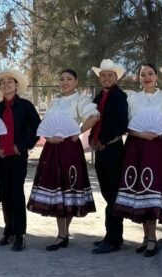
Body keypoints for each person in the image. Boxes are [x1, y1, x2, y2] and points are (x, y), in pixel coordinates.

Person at [113, 64, 162, 257]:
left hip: (156, 148)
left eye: (150, 74)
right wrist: (141, 133)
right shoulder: (132, 99)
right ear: (139, 78)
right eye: (143, 74)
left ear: (157, 77)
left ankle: (152, 237)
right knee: (139, 190)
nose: (147, 77)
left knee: (151, 189)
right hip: (135, 146)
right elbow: (127, 125)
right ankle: (146, 237)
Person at [27, 69, 99, 251]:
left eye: (69, 79)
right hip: (52, 148)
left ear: (76, 81)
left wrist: (78, 132)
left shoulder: (80, 100)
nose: (65, 82)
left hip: (70, 148)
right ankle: (62, 234)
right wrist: (49, 137)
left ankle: (64, 233)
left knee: (69, 186)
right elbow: (45, 125)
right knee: (57, 187)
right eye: (62, 79)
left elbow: (95, 116)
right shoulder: (55, 102)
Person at [0, 69, 41, 252]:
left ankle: (20, 234)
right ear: (0, 87)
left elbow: (36, 129)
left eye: (10, 81)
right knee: (5, 194)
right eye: (2, 82)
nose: (6, 84)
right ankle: (9, 230)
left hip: (18, 157)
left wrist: (20, 146)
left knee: (17, 194)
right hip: (1, 157)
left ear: (16, 85)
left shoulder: (25, 106)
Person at [89, 59, 129, 255]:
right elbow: (94, 121)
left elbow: (122, 123)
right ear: (100, 78)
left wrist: (104, 140)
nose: (106, 78)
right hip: (100, 150)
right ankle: (111, 236)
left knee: (112, 194)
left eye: (110, 75)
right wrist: (92, 138)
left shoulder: (120, 97)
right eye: (103, 75)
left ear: (116, 77)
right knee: (107, 193)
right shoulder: (98, 97)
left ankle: (113, 239)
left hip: (112, 149)